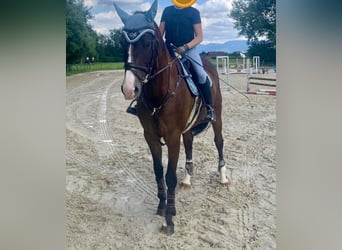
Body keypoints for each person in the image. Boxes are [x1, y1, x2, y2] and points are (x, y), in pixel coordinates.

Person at [159, 2, 216, 122]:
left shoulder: (193, 12)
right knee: (151, 69)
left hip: (188, 50)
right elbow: (160, 33)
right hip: (168, 49)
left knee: (201, 74)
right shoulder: (167, 11)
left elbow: (199, 37)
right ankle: (140, 105)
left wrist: (185, 47)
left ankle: (209, 108)